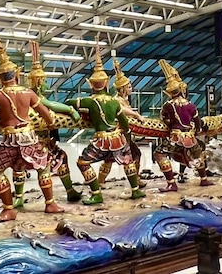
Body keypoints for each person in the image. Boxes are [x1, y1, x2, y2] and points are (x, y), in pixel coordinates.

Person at [0, 34, 67, 222]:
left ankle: (9, 208)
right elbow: (46, 113)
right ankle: (50, 203)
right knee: (43, 167)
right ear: (17, 74)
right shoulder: (28, 93)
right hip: (30, 137)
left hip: (10, 141)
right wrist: (50, 127)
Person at [70, 49, 145, 204]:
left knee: (83, 163)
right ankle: (135, 190)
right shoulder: (114, 102)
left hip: (102, 140)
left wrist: (72, 110)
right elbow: (124, 123)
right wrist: (127, 135)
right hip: (118, 137)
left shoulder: (89, 101)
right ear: (108, 82)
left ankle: (96, 193)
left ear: (90, 84)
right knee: (128, 161)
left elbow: (69, 103)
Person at [12, 40, 82, 207]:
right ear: (38, 82)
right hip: (38, 142)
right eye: (43, 81)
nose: (44, 84)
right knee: (57, 159)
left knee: (19, 165)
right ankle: (62, 194)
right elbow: (49, 105)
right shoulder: (33, 95)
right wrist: (71, 110)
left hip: (22, 141)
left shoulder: (21, 95)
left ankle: (19, 197)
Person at [153, 59, 213, 190]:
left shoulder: (168, 105)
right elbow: (197, 122)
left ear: (169, 93)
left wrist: (169, 123)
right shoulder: (191, 105)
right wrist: (196, 130)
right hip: (190, 137)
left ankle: (171, 183)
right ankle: (204, 179)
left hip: (175, 137)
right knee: (198, 154)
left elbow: (163, 117)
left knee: (159, 154)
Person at [98, 58, 147, 185]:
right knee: (112, 159)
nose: (131, 88)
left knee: (135, 154)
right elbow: (121, 110)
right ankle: (101, 183)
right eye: (129, 87)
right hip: (118, 135)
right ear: (123, 88)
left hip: (126, 135)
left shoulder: (125, 100)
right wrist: (136, 114)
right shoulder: (116, 101)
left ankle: (135, 180)